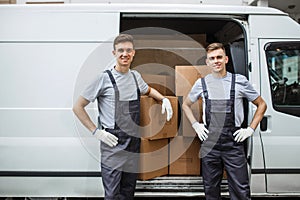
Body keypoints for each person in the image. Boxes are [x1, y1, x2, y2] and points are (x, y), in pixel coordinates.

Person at [73, 34, 173, 200]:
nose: (124, 54)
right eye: (120, 50)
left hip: (133, 143)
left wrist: (163, 99)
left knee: (128, 191)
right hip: (113, 143)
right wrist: (96, 132)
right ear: (114, 53)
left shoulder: (135, 77)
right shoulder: (103, 79)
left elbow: (147, 90)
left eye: (128, 50)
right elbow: (78, 107)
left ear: (133, 53)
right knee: (112, 194)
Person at [182, 42, 267, 200]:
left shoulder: (239, 81)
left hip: (233, 143)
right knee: (211, 189)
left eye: (219, 57)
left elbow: (261, 104)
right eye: (212, 58)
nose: (216, 61)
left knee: (240, 189)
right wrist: (196, 125)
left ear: (226, 59)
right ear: (207, 62)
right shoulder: (201, 83)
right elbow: (186, 105)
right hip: (210, 143)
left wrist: (250, 129)